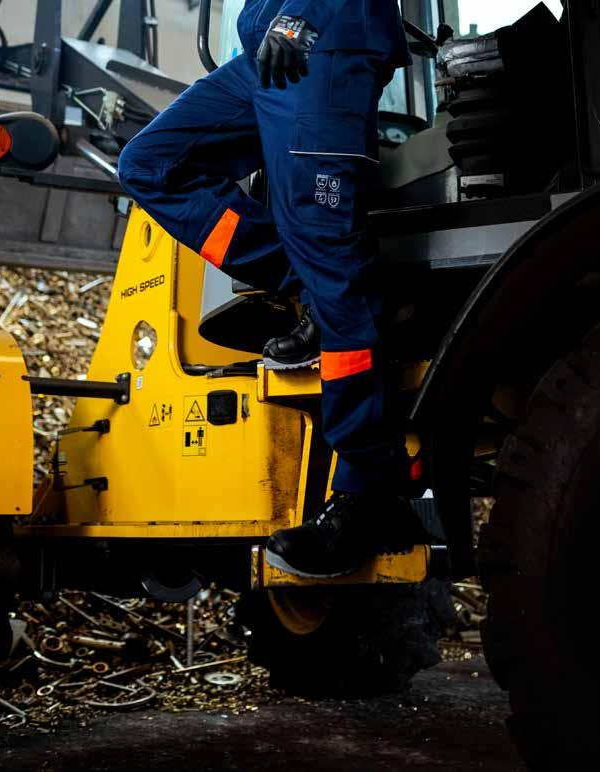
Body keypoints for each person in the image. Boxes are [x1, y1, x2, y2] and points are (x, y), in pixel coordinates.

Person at [118, 0, 425, 578]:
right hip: (264, 50)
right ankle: (308, 284)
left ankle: (369, 492)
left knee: (329, 253)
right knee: (151, 165)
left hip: (323, 43)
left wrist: (299, 15)